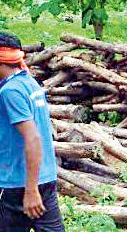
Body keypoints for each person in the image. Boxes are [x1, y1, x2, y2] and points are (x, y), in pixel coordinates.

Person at [0, 32, 64, 231]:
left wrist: (30, 190)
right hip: (45, 177)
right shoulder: (29, 82)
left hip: (19, 184)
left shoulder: (10, 91)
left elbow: (33, 138)